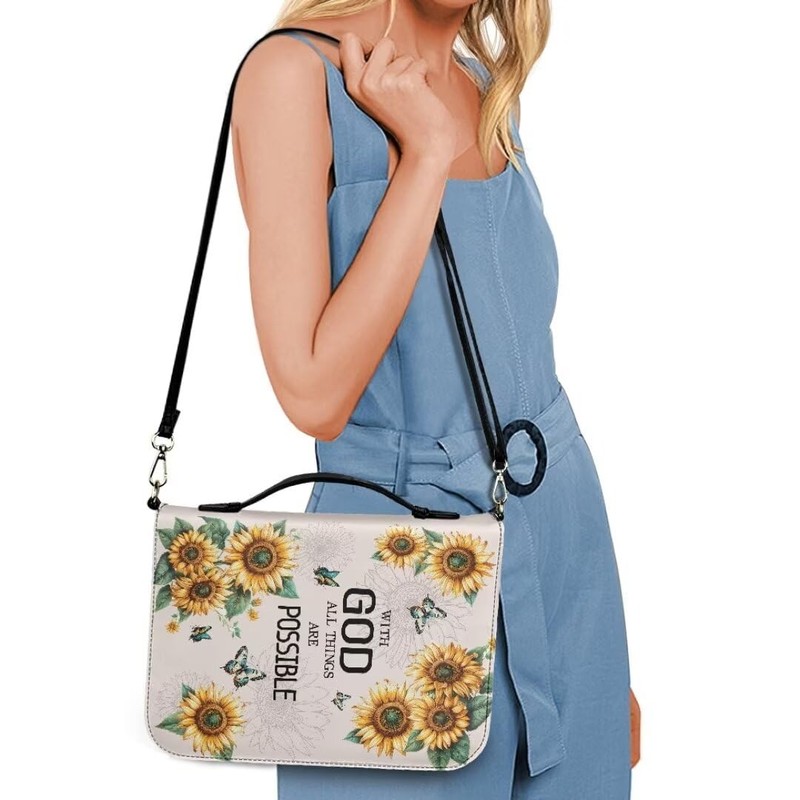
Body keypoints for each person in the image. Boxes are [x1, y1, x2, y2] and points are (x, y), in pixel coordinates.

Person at [230, 0, 640, 797]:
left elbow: (519, 366)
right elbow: (313, 394)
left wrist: (595, 667)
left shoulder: (486, 85)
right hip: (389, 586)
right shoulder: (290, 76)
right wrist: (423, 155)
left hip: (565, 571)